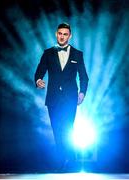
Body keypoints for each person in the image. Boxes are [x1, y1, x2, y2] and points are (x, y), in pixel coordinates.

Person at [34, 23, 89, 171]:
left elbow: (84, 77)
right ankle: (62, 160)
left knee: (67, 128)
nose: (62, 36)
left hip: (70, 98)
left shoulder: (78, 54)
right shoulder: (48, 53)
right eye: (60, 33)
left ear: (70, 36)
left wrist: (82, 92)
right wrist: (38, 80)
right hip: (53, 98)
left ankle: (68, 161)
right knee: (56, 129)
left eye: (65, 34)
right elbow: (39, 71)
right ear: (56, 34)